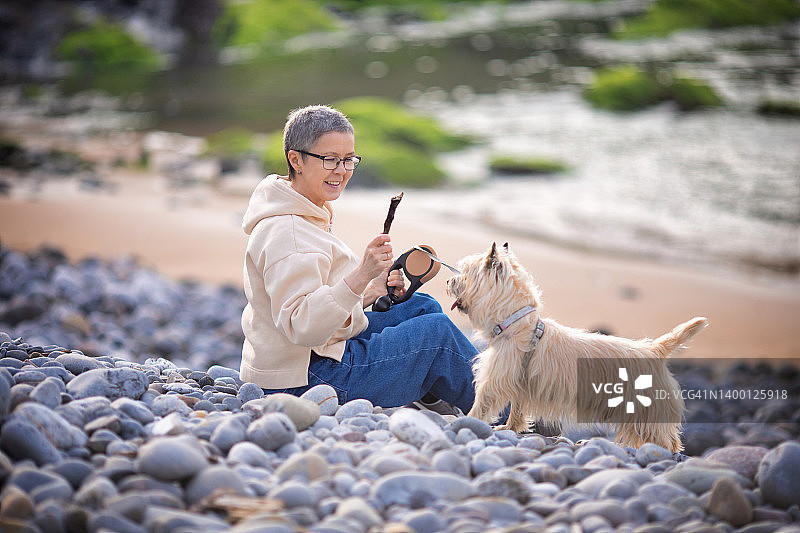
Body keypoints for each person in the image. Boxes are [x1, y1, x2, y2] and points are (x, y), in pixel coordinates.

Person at [239, 104, 478, 414]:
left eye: (348, 159)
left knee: (423, 308)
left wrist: (369, 291)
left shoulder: (303, 210)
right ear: (295, 159)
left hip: (309, 359)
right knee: (437, 335)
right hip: (306, 379)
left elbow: (316, 298)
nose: (341, 170)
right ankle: (512, 416)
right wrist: (361, 275)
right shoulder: (289, 232)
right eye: (329, 160)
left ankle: (434, 394)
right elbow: (302, 326)